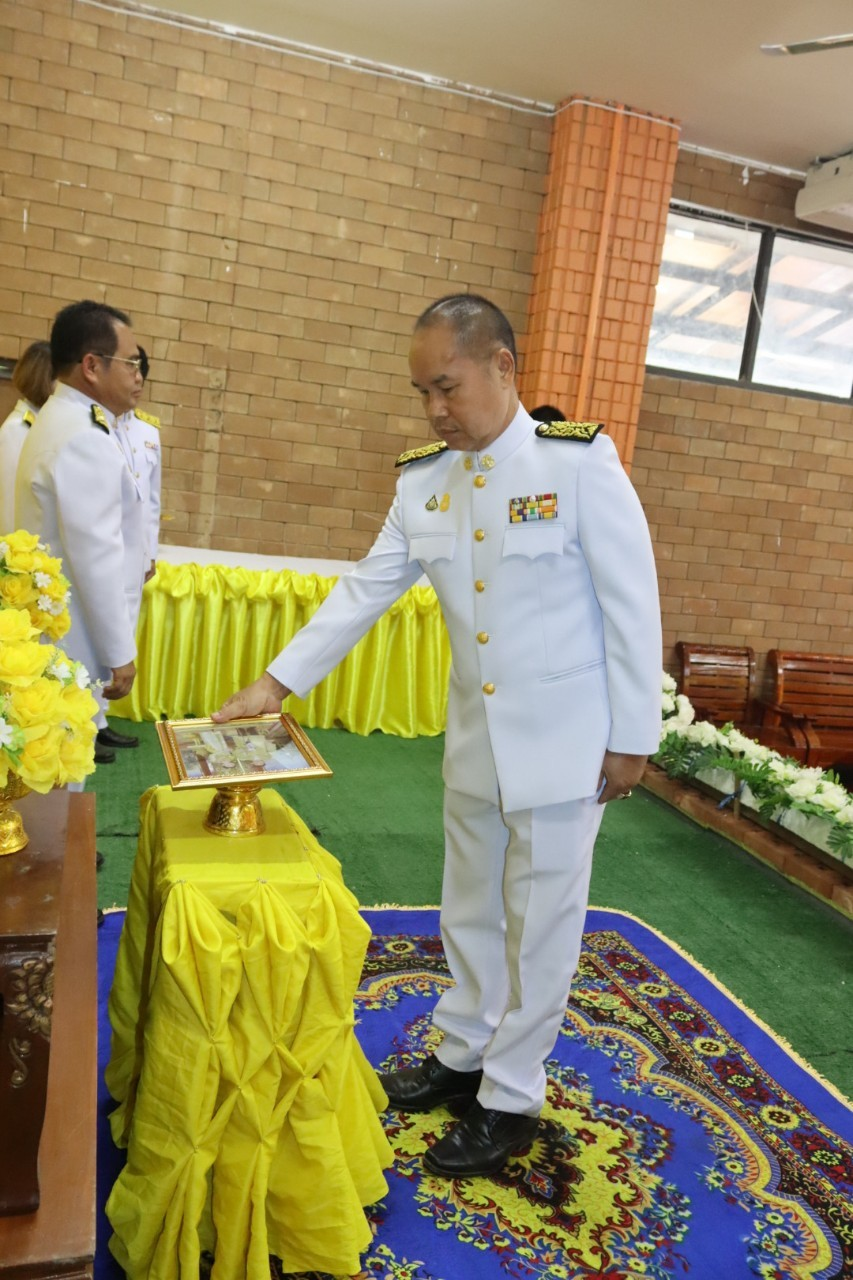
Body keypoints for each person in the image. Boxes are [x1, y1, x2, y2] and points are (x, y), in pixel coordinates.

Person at [212, 294, 662, 1178]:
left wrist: (632, 734)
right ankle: (462, 1049)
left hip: (569, 743)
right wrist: (272, 684)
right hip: (476, 741)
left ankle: (510, 1094)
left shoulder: (577, 465)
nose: (433, 410)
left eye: (446, 387)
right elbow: (363, 591)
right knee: (469, 905)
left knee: (540, 922)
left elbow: (630, 602)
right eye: (421, 392)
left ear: (503, 366)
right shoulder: (424, 481)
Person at [15, 300, 147, 767]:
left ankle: (59, 839)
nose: (138, 373)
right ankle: (59, 842)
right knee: (63, 755)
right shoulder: (85, 437)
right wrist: (120, 651)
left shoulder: (62, 418)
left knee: (53, 752)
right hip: (73, 634)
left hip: (57, 623)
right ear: (92, 366)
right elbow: (97, 557)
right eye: (131, 361)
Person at [0, 341, 54, 531]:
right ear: (45, 379)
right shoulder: (18, 429)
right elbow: (9, 503)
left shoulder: (40, 422)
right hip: (19, 549)